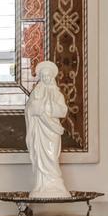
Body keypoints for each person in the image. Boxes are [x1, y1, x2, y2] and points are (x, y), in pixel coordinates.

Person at [25, 60, 70, 198]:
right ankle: (41, 186)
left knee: (51, 157)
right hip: (39, 129)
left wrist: (48, 109)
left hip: (52, 130)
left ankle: (56, 185)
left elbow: (62, 111)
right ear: (40, 77)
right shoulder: (36, 92)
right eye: (43, 76)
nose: (46, 78)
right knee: (40, 156)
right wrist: (34, 109)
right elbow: (28, 109)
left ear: (52, 77)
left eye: (48, 76)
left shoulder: (57, 94)